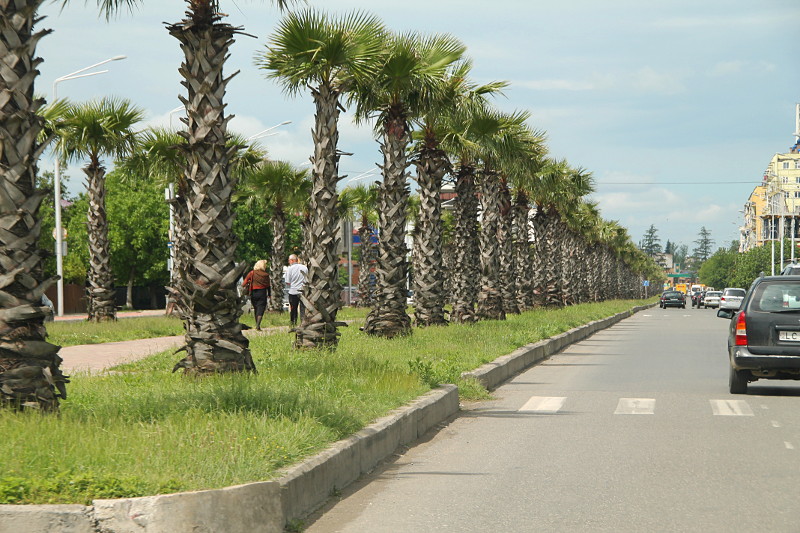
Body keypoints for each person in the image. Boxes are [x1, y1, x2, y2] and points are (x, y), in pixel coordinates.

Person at [242, 259, 271, 330]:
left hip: (253, 293)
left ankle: (257, 324)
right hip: (262, 293)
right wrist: (269, 294)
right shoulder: (266, 275)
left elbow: (243, 283)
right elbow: (268, 286)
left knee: (256, 308)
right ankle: (258, 325)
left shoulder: (252, 273)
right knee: (261, 309)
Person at [284, 254, 308, 329]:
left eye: (289, 260)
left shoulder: (290, 269)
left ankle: (293, 322)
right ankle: (303, 322)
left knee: (293, 308)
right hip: (303, 291)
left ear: (291, 260)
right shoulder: (304, 268)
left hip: (293, 291)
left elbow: (287, 282)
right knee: (303, 308)